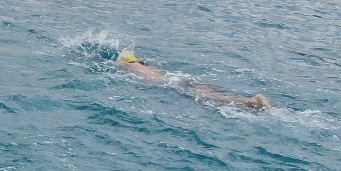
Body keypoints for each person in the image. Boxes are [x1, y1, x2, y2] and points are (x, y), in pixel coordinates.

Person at [113, 49, 272, 110]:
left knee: (212, 99)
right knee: (216, 97)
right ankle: (250, 102)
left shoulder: (132, 66)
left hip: (172, 84)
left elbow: (118, 64)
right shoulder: (150, 67)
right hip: (182, 78)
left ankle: (251, 102)